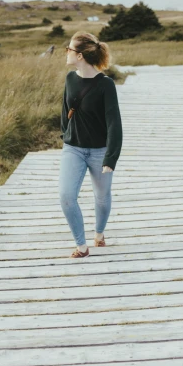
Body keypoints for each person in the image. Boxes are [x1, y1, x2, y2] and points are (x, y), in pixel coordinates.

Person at [59, 32, 123, 258]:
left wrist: (110, 158)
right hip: (73, 149)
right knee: (66, 196)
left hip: (100, 151)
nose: (65, 52)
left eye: (69, 49)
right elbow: (64, 112)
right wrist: (65, 135)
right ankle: (82, 246)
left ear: (80, 55)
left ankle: (99, 233)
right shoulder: (69, 78)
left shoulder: (105, 85)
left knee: (102, 197)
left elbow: (114, 123)